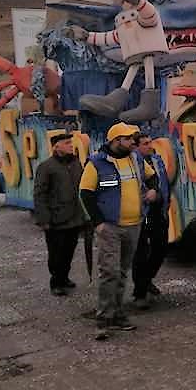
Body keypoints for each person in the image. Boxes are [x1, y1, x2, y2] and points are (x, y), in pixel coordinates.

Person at [80, 122, 157, 340]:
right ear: (116, 141)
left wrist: (153, 189)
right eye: (128, 139)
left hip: (133, 225)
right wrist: (98, 223)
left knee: (122, 272)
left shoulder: (136, 158)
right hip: (110, 227)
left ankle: (117, 314)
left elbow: (152, 176)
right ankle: (104, 319)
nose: (133, 142)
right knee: (109, 272)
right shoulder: (97, 163)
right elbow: (85, 193)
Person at [34, 132, 85, 295]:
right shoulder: (46, 167)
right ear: (56, 147)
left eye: (71, 142)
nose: (71, 145)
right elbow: (40, 194)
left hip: (74, 217)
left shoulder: (76, 163)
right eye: (67, 143)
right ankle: (56, 282)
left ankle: (64, 277)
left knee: (69, 251)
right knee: (56, 253)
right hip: (56, 219)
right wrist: (44, 219)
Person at [131, 134, 171, 310]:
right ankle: (140, 292)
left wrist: (165, 200)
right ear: (136, 146)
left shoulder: (156, 160)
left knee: (160, 248)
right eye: (145, 144)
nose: (150, 146)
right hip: (142, 212)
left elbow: (163, 182)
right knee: (140, 253)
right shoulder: (133, 163)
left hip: (159, 211)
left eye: (150, 142)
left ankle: (146, 279)